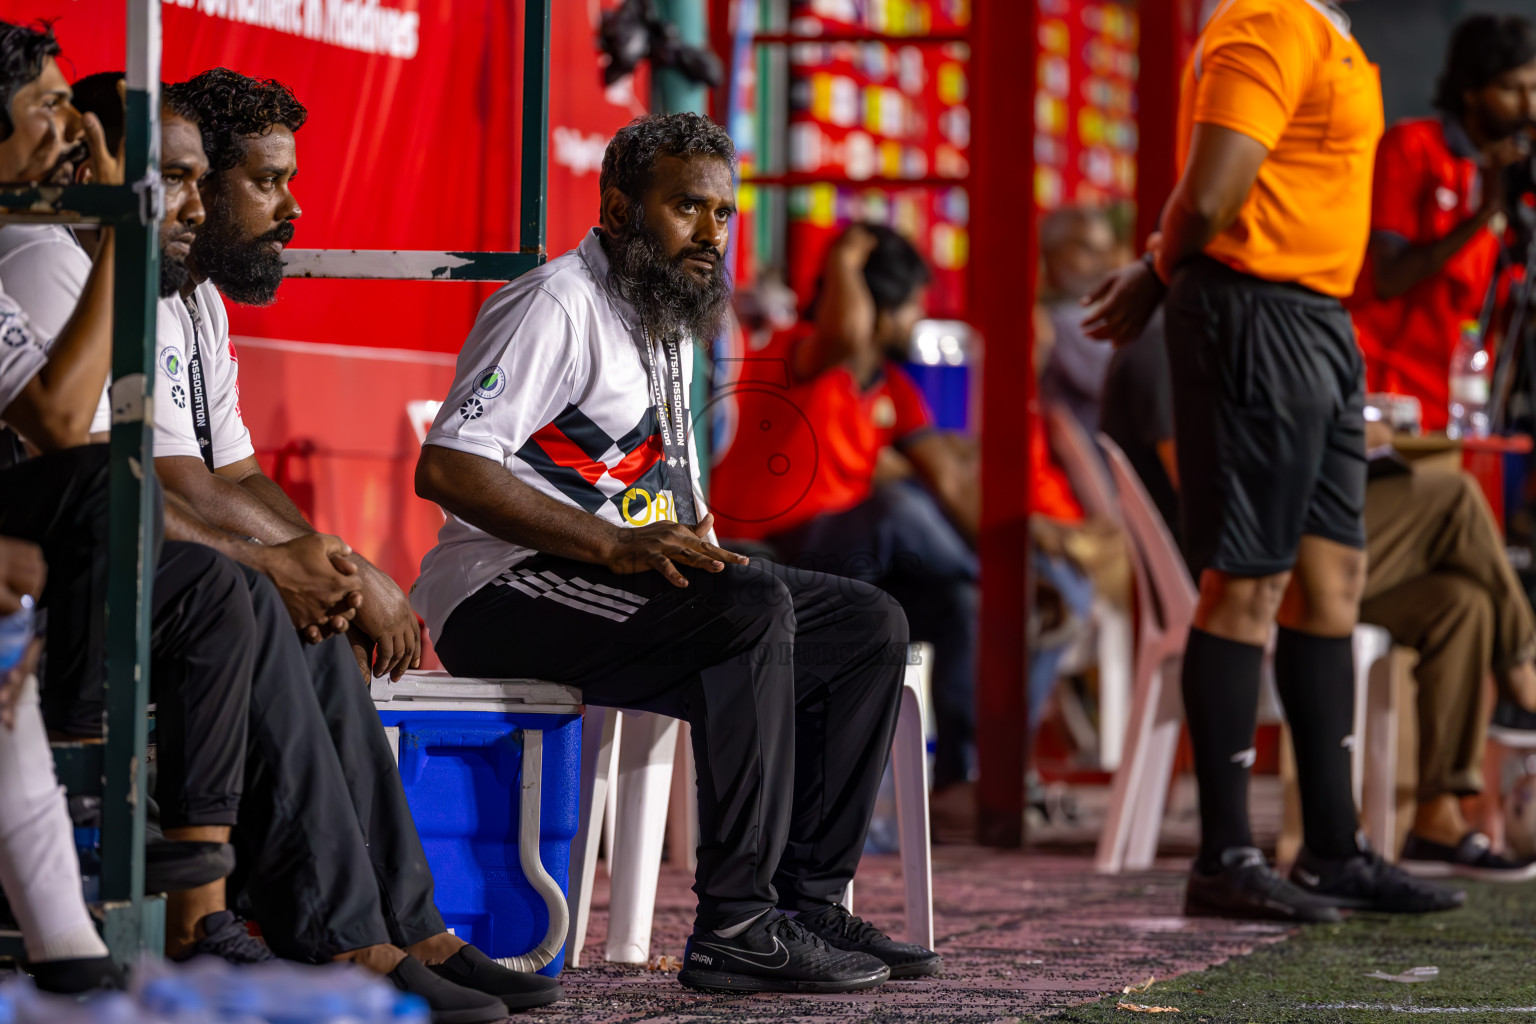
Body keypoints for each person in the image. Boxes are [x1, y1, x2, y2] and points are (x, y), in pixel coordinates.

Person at [414, 111, 941, 993]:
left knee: (866, 622)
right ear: (619, 210)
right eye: (686, 208)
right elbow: (450, 467)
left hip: (610, 574)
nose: (711, 232)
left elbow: (664, 491)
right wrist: (611, 544)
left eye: (723, 213)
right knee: (750, 613)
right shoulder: (556, 304)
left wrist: (693, 546)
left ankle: (802, 903)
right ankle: (735, 923)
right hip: (502, 591)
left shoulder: (660, 314)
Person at [143, 67, 560, 1020]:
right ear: (198, 183)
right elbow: (181, 485)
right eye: (268, 182)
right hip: (134, 580)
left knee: (316, 614)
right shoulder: (145, 292)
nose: (292, 208)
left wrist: (338, 562)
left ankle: (410, 928)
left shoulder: (200, 300)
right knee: (278, 608)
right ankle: (346, 941)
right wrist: (319, 567)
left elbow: (238, 475)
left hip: (188, 559)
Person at [1085, 0, 1461, 918]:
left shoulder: (1327, 28)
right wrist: (1160, 271)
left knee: (1332, 581)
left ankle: (1333, 849)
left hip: (1320, 319)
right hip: (1252, 312)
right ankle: (1224, 857)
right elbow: (1211, 195)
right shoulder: (1265, 20)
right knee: (1247, 584)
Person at [0, 24, 275, 969]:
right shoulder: (33, 255)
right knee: (103, 487)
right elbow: (55, 417)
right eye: (48, 107)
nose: (72, 131)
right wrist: (124, 223)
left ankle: (200, 875)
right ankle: (83, 768)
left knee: (213, 590)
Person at [1105, 325, 1536, 881]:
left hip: (1290, 534)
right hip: (1245, 561)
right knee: (1454, 499)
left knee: (1461, 602)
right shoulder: (1164, 349)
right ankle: (1523, 665)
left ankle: (1436, 817)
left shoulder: (1219, 334)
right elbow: (1205, 485)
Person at [710, 224, 980, 793]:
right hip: (772, 550)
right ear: (878, 308)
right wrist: (848, 255)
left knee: (961, 602)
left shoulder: (894, 389)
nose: (918, 320)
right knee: (897, 510)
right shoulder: (804, 349)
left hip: (848, 565)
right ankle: (992, 577)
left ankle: (961, 777)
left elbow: (952, 482)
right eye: (911, 306)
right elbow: (849, 333)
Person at [1348, 14, 1536, 432]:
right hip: (1387, 396)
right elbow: (1389, 277)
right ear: (1471, 92)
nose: (1528, 107)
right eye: (1510, 89)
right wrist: (1484, 213)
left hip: (1464, 409)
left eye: (1535, 89)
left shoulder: (1522, 184)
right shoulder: (1412, 148)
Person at [1038, 206, 1121, 436]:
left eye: (1106, 251)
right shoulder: (1059, 321)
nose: (1103, 262)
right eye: (1088, 250)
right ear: (1053, 255)